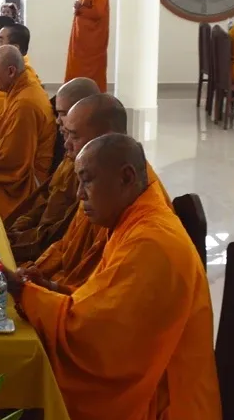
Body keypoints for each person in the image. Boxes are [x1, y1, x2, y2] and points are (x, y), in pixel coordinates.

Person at [12, 134, 220, 420]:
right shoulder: (132, 215)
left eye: (87, 181)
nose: (79, 195)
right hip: (140, 384)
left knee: (26, 400)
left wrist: (19, 290)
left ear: (125, 177)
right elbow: (102, 301)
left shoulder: (153, 242)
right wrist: (49, 289)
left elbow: (94, 340)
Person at [30, 93, 168, 292]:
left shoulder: (143, 231)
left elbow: (95, 307)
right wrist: (35, 273)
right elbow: (67, 246)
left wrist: (38, 291)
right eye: (66, 134)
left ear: (106, 136)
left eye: (74, 136)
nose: (66, 144)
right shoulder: (99, 178)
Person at [6, 78, 100, 262]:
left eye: (62, 114)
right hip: (37, 235)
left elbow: (58, 232)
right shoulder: (72, 151)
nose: (57, 121)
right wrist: (21, 225)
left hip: (44, 247)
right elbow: (47, 198)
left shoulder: (92, 164)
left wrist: (15, 240)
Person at [0, 45, 56, 221]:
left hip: (26, 182)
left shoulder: (25, 104)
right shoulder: (18, 90)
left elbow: (12, 161)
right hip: (14, 168)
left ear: (11, 71)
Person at [64, 0, 110, 91]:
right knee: (77, 68)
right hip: (82, 40)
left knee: (90, 71)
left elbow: (98, 13)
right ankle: (74, 93)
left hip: (92, 42)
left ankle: (90, 95)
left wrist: (80, 9)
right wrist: (78, 8)